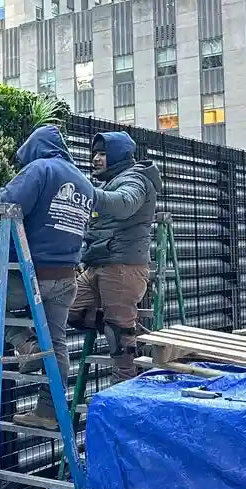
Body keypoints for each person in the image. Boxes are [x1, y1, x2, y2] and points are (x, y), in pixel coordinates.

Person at [0, 125, 95, 431]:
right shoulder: (83, 182)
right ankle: (48, 410)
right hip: (66, 278)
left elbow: (8, 201)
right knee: (57, 342)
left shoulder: (40, 169)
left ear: (34, 148)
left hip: (33, 276)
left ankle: (26, 345)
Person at [68, 131, 162, 383]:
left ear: (118, 155)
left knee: (119, 343)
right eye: (95, 153)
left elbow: (124, 204)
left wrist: (89, 193)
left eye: (102, 153)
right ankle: (137, 337)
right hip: (98, 266)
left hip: (122, 268)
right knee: (67, 307)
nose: (95, 159)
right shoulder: (112, 182)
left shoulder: (136, 179)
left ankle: (124, 399)